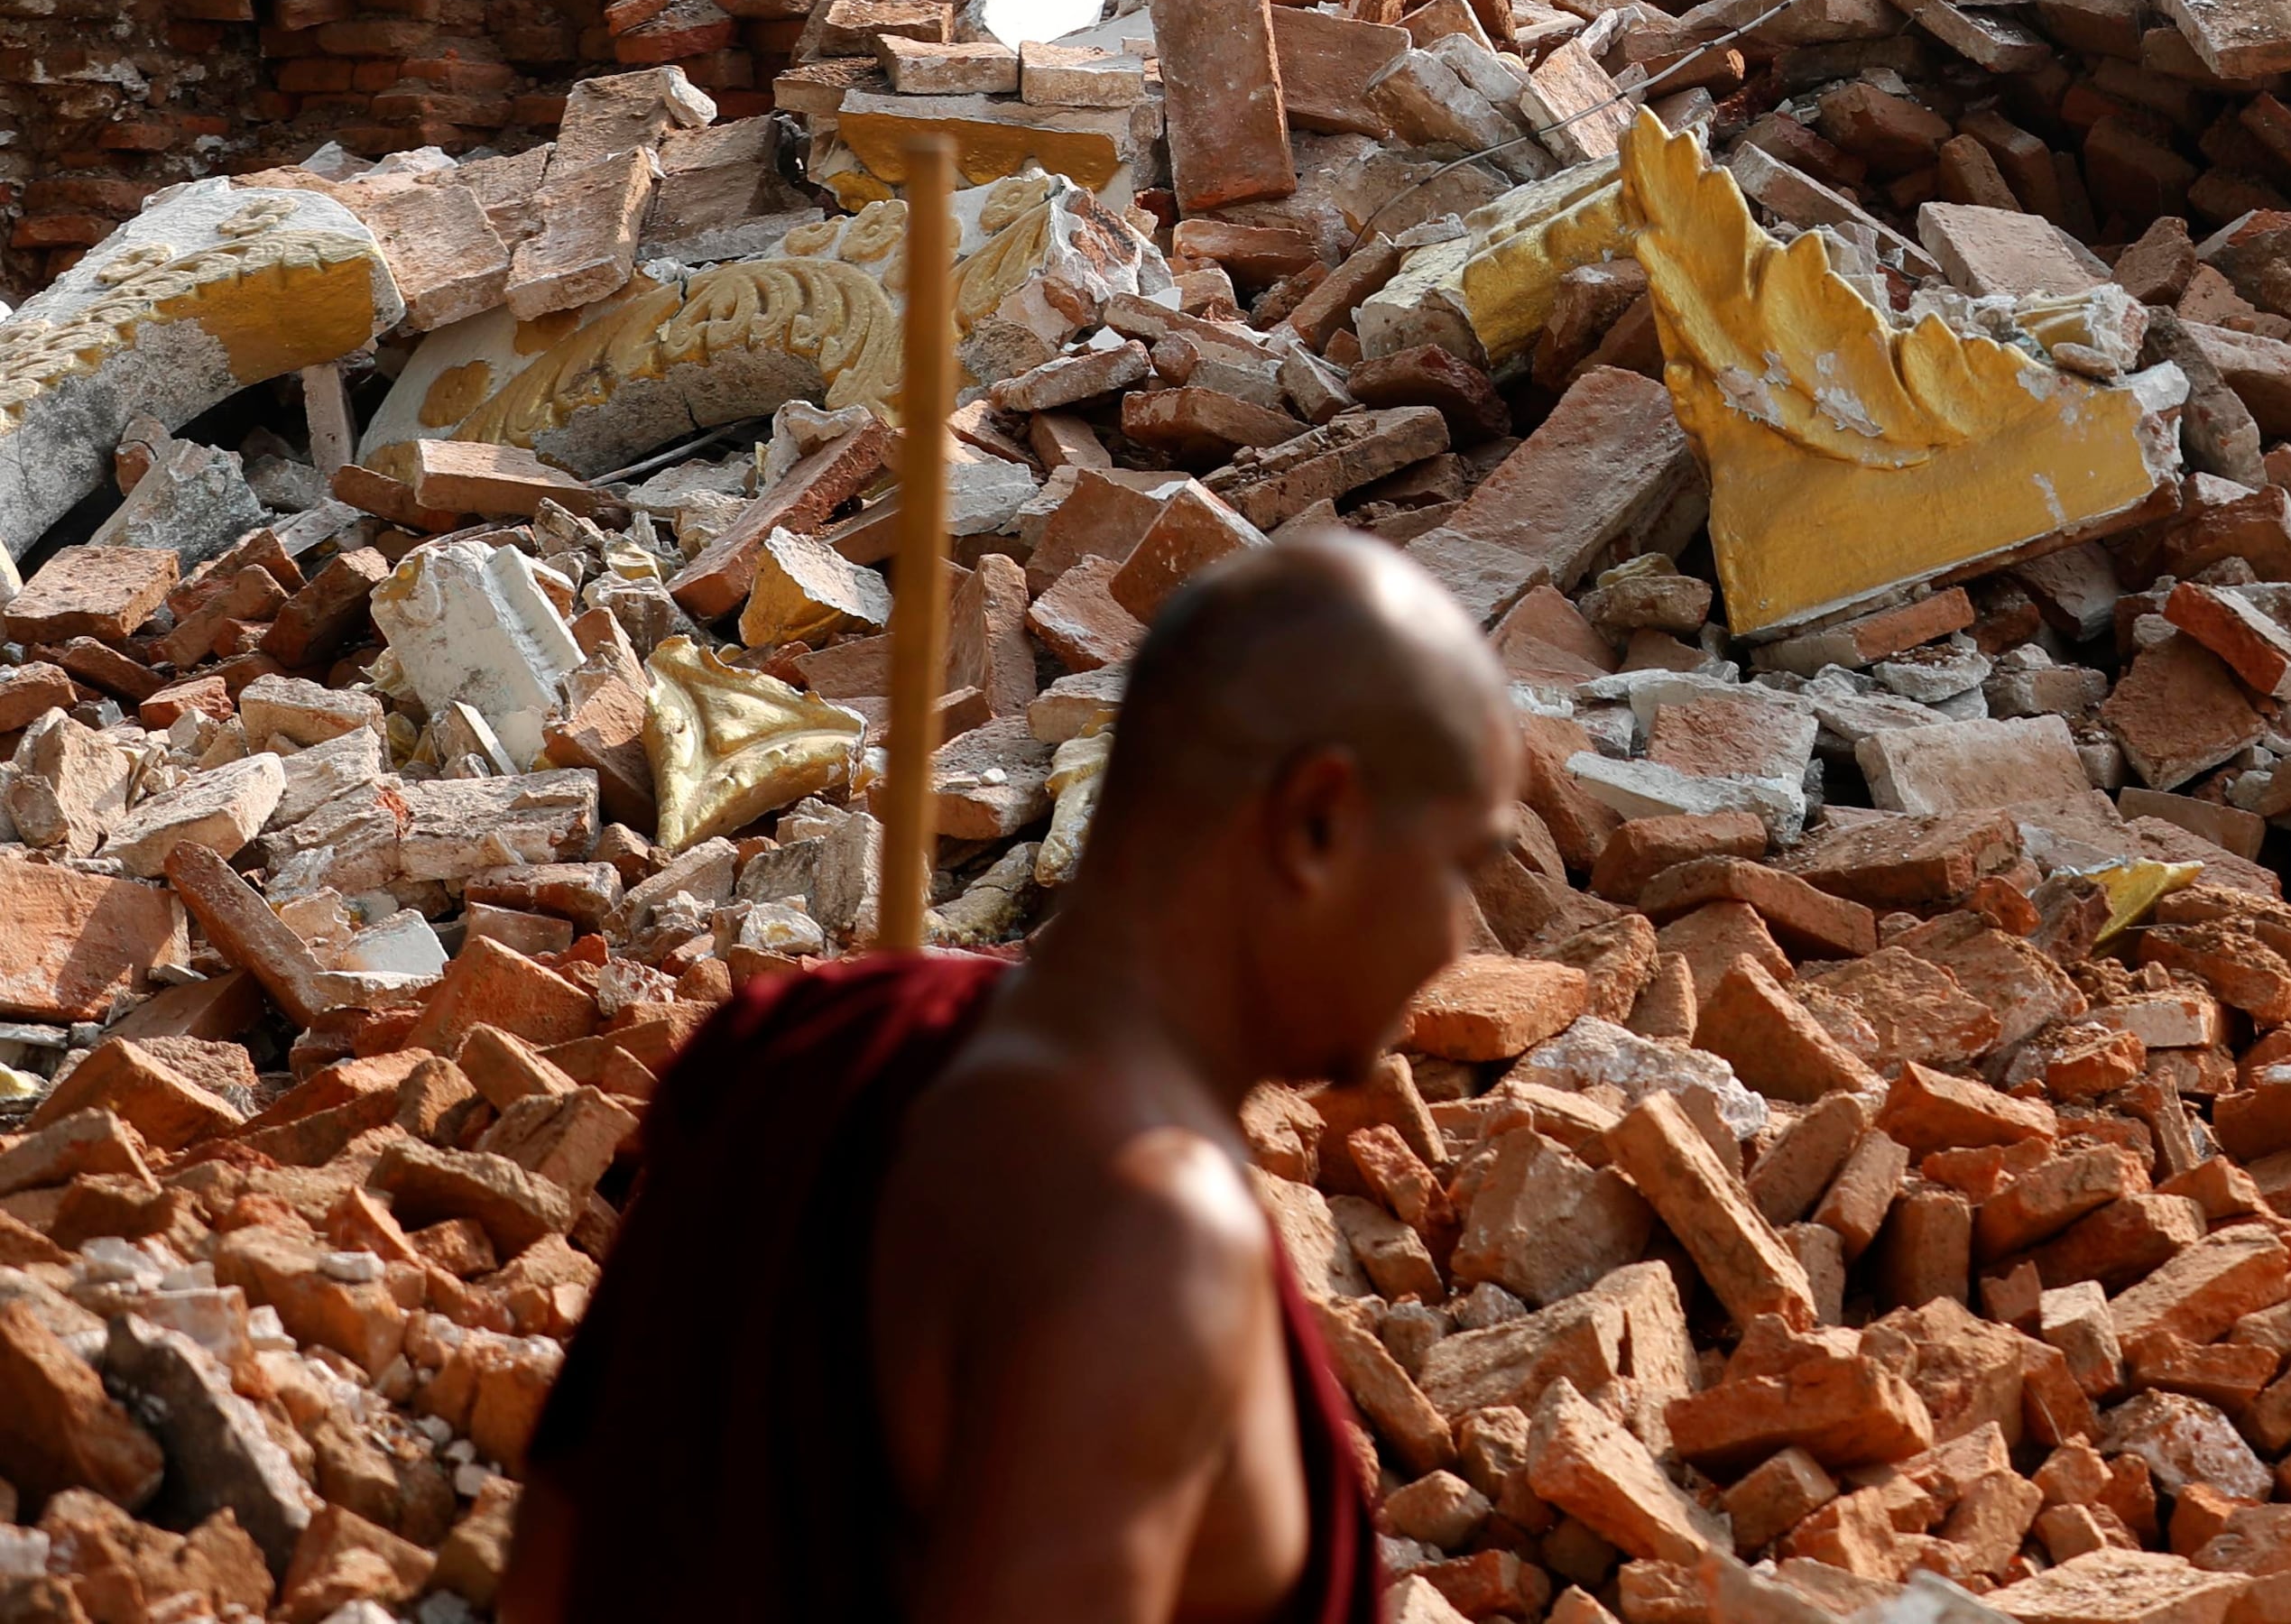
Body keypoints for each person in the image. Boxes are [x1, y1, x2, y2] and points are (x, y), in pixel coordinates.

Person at [503, 532, 1532, 1624]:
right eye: (1458, 865)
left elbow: (552, 1569)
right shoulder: (1149, 1235)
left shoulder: (807, 1043)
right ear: (1317, 824)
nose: (1458, 939)